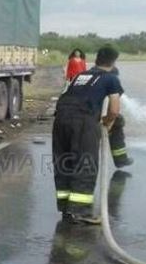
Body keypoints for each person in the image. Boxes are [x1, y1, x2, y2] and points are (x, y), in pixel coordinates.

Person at [52, 45, 123, 224]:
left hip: (60, 120)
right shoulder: (111, 78)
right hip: (83, 122)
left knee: (64, 162)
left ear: (97, 58)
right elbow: (114, 110)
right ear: (114, 61)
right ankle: (81, 212)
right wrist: (106, 122)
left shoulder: (81, 76)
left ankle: (67, 209)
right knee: (85, 164)